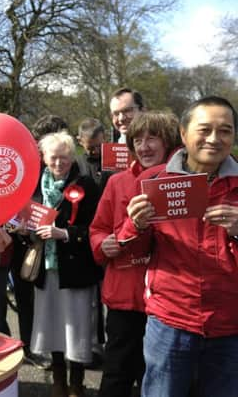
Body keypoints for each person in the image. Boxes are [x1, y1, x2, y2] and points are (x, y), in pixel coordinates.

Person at [122, 96, 238, 397]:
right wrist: (137, 225)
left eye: (225, 130)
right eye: (205, 129)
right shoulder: (153, 181)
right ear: (184, 135)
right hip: (171, 322)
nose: (214, 139)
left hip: (230, 326)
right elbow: (132, 253)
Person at [0, 132, 100, 397]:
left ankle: (76, 384)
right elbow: (21, 227)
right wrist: (23, 232)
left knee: (77, 328)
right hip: (45, 272)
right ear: (44, 158)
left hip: (75, 270)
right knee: (53, 327)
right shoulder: (32, 189)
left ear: (73, 157)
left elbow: (95, 228)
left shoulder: (87, 186)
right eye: (54, 157)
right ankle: (58, 381)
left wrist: (65, 234)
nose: (59, 163)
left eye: (65, 157)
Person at [90, 111, 181, 397]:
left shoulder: (183, 183)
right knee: (117, 373)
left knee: (157, 378)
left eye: (152, 138)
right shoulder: (117, 182)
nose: (144, 146)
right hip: (125, 298)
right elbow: (98, 228)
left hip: (169, 300)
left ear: (168, 142)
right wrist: (102, 243)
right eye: (138, 140)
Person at [75, 117, 111, 194]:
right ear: (80, 141)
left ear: (105, 137)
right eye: (90, 148)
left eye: (99, 146)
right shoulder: (76, 164)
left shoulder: (116, 161)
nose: (96, 151)